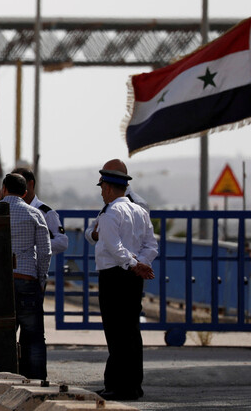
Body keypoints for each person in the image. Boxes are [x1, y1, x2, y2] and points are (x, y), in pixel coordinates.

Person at [88, 161, 158, 401]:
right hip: (132, 277)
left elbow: (113, 246)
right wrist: (140, 263)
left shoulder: (110, 212)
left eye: (102, 187)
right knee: (131, 331)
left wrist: (133, 263)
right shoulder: (140, 211)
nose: (101, 192)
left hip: (114, 276)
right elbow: (152, 245)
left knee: (116, 332)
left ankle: (118, 386)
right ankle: (133, 385)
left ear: (108, 188)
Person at [1, 173, 51, 380]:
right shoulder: (34, 213)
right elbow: (45, 251)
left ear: (3, 189)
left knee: (2, 334)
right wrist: (41, 279)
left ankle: (3, 377)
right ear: (24, 192)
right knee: (34, 336)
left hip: (0, 282)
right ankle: (37, 382)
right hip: (27, 279)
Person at [11, 167, 69, 263]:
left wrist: (34, 247)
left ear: (31, 184)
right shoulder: (9, 210)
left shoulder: (45, 213)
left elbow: (62, 242)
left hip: (33, 268)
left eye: (19, 184)